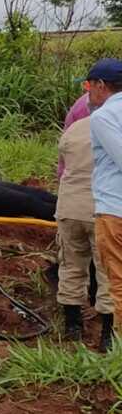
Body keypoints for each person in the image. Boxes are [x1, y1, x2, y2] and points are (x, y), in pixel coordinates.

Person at [57, 103, 112, 343]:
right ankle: (107, 336)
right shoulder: (114, 128)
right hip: (103, 209)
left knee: (70, 267)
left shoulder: (75, 128)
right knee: (108, 271)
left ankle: (72, 326)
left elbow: (62, 170)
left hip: (69, 207)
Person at [87, 59, 122, 353]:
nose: (88, 94)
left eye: (89, 86)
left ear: (101, 85)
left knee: (119, 283)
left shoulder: (103, 116)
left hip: (115, 209)